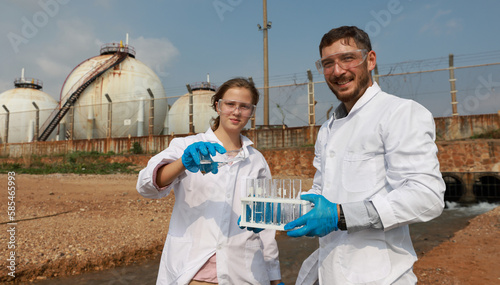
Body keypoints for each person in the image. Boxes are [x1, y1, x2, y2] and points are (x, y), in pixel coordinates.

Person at [284, 26, 446, 284]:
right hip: (328, 271)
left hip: (381, 277)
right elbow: (320, 192)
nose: (337, 71)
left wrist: (341, 216)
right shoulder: (327, 129)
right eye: (328, 63)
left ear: (370, 60)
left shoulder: (400, 113)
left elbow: (427, 196)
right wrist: (276, 215)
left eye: (347, 58)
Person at [136, 77, 283, 285]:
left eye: (244, 106)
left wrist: (274, 277)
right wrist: (183, 163)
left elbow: (266, 226)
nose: (236, 112)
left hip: (245, 273)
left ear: (251, 111)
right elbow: (146, 186)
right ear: (218, 106)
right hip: (194, 271)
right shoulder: (187, 145)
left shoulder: (256, 160)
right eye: (230, 104)